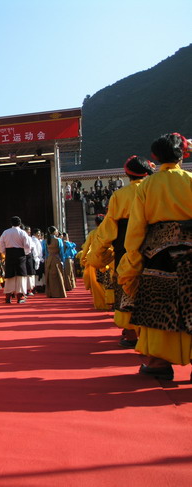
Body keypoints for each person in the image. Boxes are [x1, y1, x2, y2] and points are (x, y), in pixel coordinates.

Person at [117, 133, 192, 380]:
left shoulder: (148, 186)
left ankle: (159, 362)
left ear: (156, 157)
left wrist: (131, 260)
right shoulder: (190, 180)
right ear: (182, 155)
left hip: (159, 252)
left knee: (159, 307)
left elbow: (136, 228)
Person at [88, 156, 154, 348]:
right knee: (153, 288)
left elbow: (109, 228)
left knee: (126, 287)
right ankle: (153, 335)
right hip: (154, 243)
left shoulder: (120, 195)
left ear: (127, 174)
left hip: (125, 245)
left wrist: (97, 254)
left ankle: (131, 333)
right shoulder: (154, 190)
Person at [0, 216, 32, 303]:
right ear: (20, 224)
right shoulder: (23, 233)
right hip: (20, 254)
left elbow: (0, 244)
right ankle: (20, 296)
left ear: (11, 223)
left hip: (9, 254)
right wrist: (25, 252)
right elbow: (28, 245)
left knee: (10, 275)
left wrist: (5, 252)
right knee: (20, 275)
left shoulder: (6, 232)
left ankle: (8, 296)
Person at [42, 226, 67, 298]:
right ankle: (58, 293)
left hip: (49, 259)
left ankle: (51, 293)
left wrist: (47, 260)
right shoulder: (58, 240)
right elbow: (61, 252)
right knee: (58, 276)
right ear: (54, 232)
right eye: (56, 230)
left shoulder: (46, 241)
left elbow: (45, 252)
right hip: (56, 258)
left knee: (50, 277)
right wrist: (62, 261)